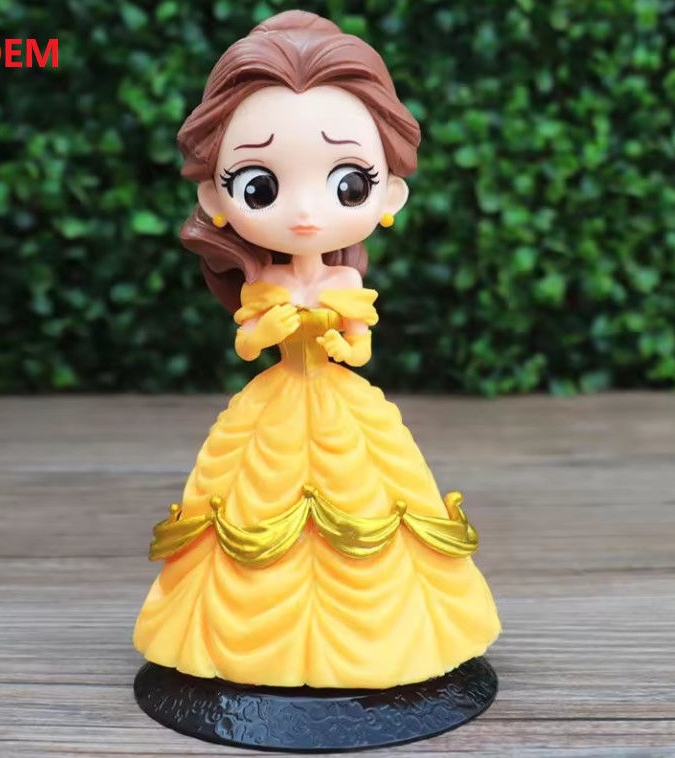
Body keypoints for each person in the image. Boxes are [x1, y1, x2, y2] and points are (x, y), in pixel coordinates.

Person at [133, 9, 500, 690]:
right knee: (250, 505)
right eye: (262, 186)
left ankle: (390, 641)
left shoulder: (344, 281)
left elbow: (359, 351)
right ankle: (243, 643)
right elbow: (248, 343)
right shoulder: (265, 281)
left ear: (389, 192)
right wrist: (274, 328)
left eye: (346, 184)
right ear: (216, 195)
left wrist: (334, 337)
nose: (305, 214)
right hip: (276, 404)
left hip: (338, 402)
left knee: (373, 503)